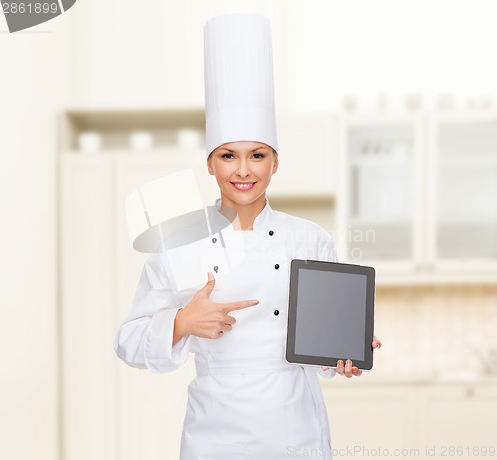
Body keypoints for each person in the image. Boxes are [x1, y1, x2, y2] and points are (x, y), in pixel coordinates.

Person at [115, 14, 381, 460]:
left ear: (274, 162)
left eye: (257, 155)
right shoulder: (179, 242)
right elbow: (128, 341)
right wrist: (181, 322)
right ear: (209, 163)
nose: (243, 171)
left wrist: (344, 354)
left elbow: (322, 348)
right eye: (228, 156)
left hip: (295, 424)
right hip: (216, 431)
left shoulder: (310, 239)